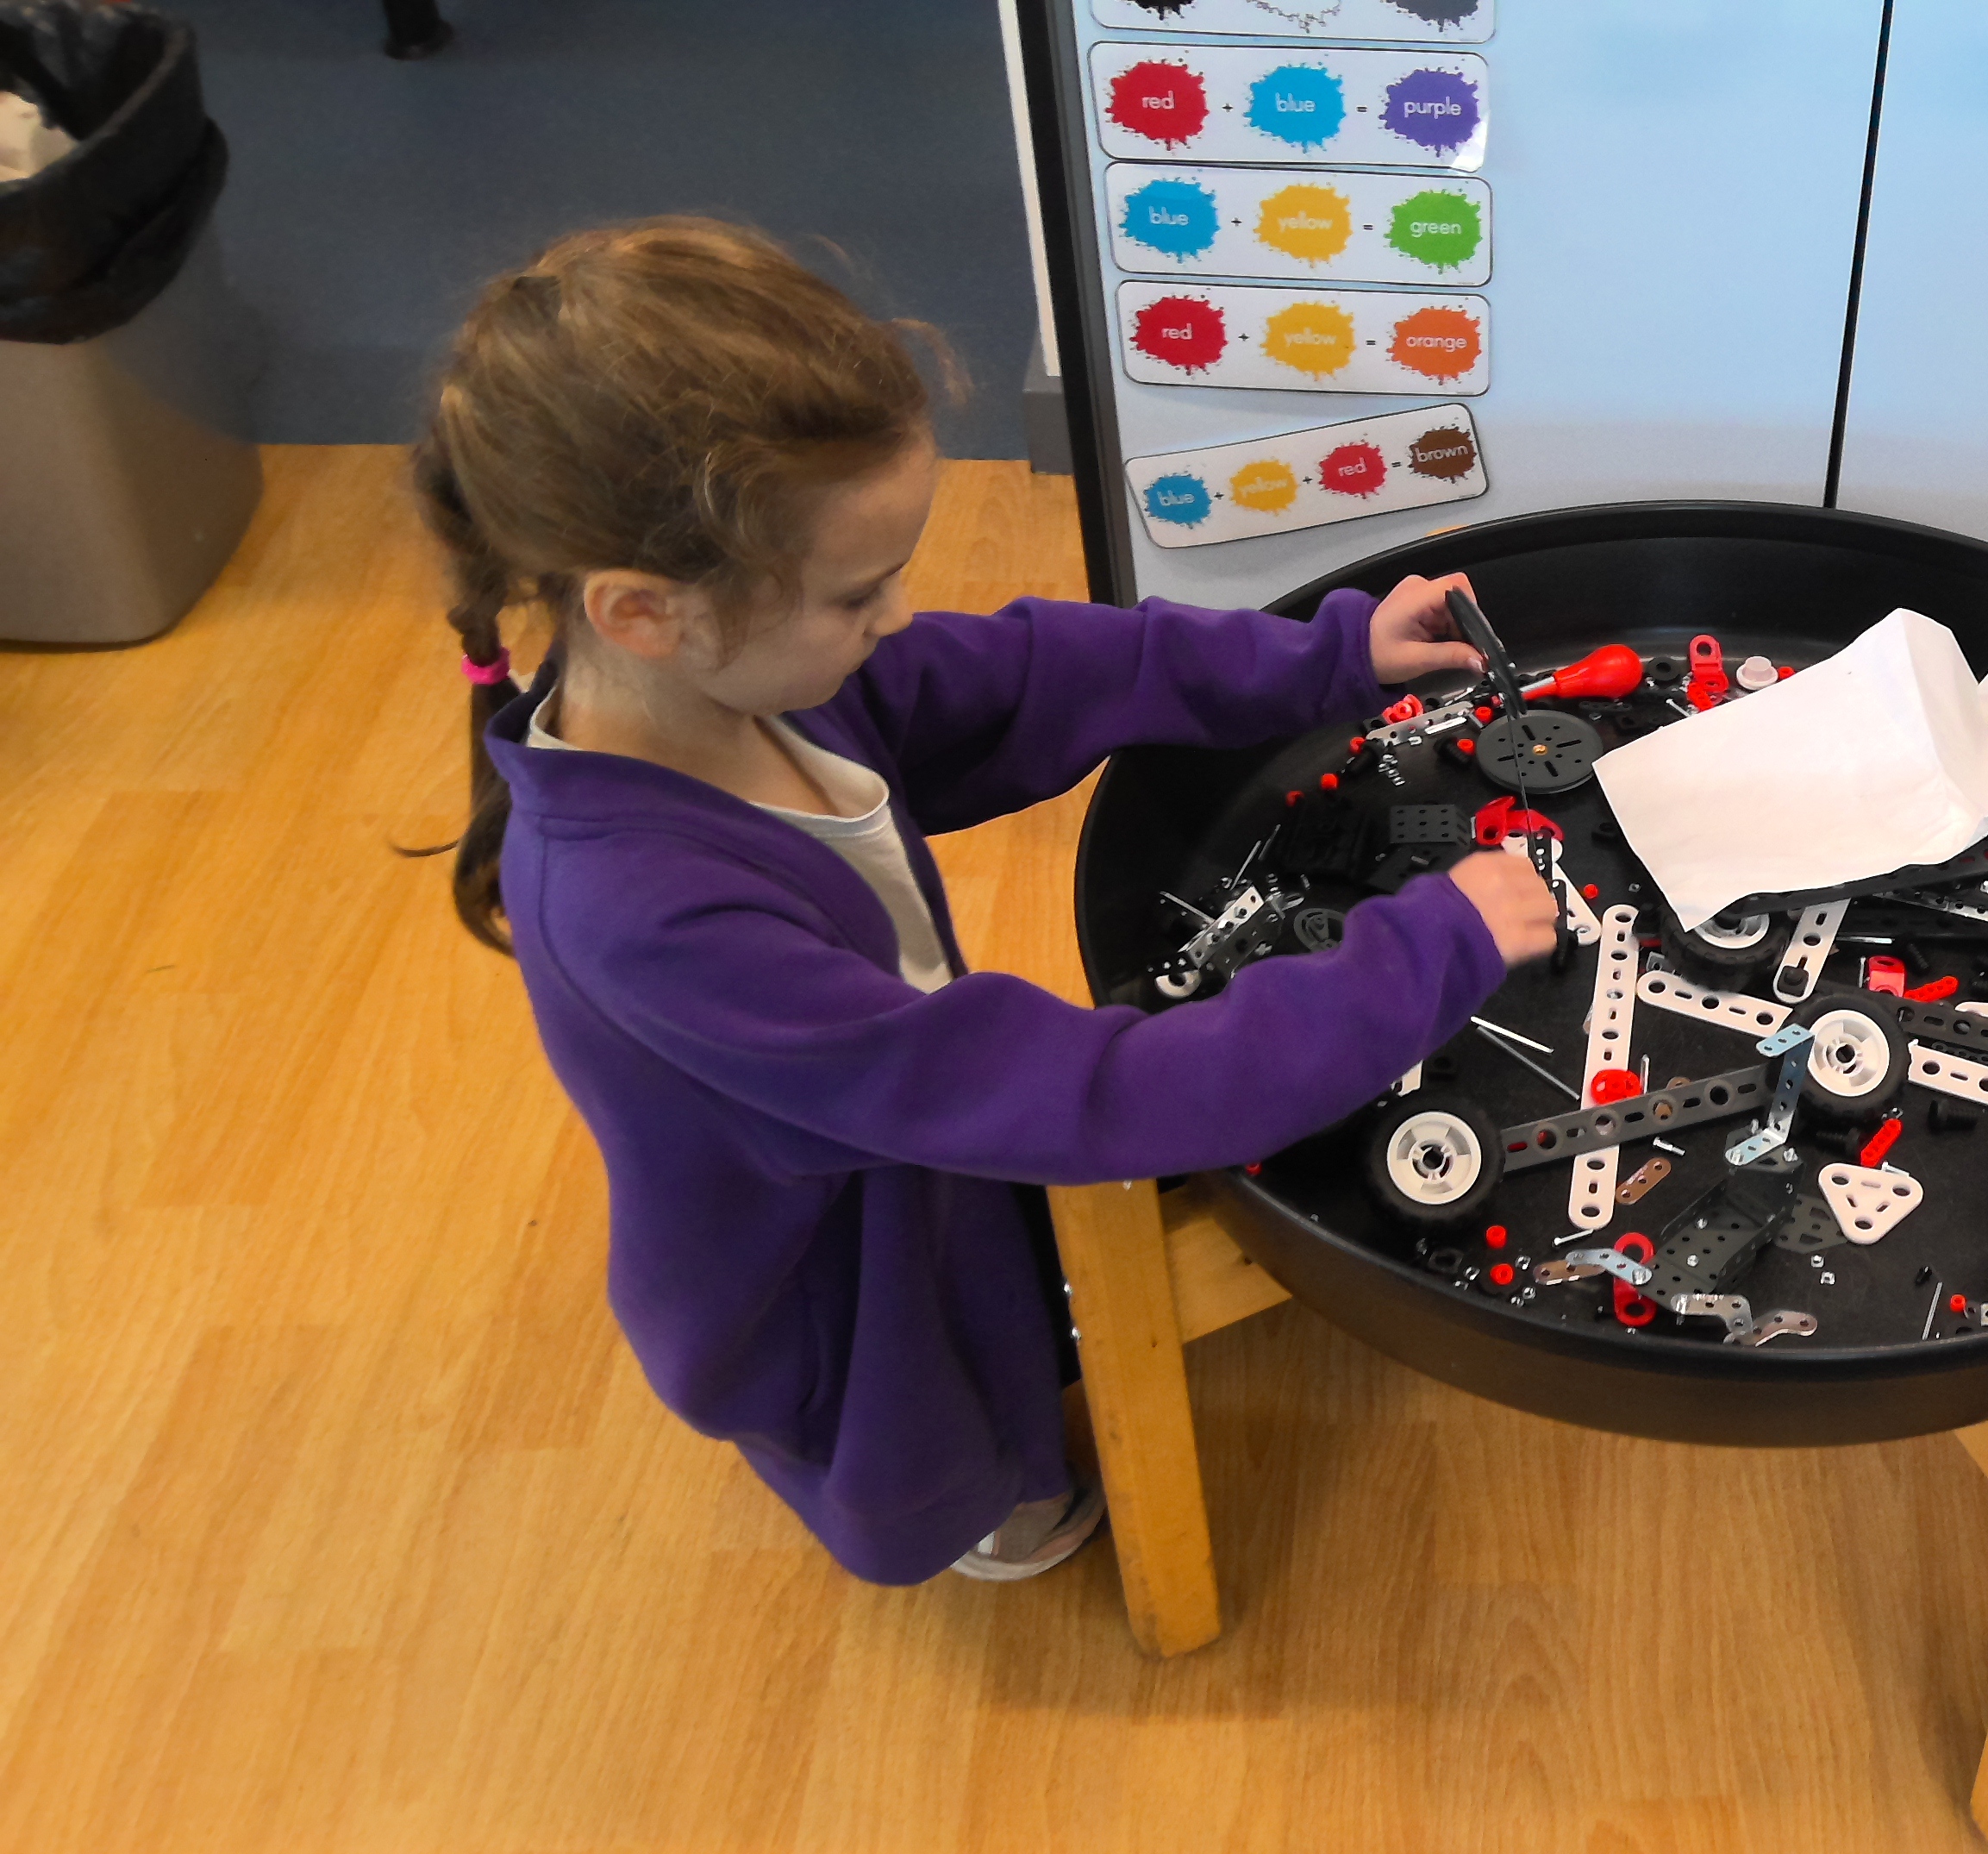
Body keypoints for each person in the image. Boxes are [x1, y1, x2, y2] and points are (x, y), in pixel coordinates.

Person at [415, 219, 1558, 1586]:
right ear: (646, 612)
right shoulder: (647, 920)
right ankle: (984, 1508)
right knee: (947, 1431)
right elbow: (1079, 1096)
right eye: (857, 591)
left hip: (900, 1129)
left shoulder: (750, 678)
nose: (896, 617)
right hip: (828, 1270)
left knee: (992, 1261)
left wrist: (1327, 655)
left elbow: (1041, 672)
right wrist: (1422, 957)